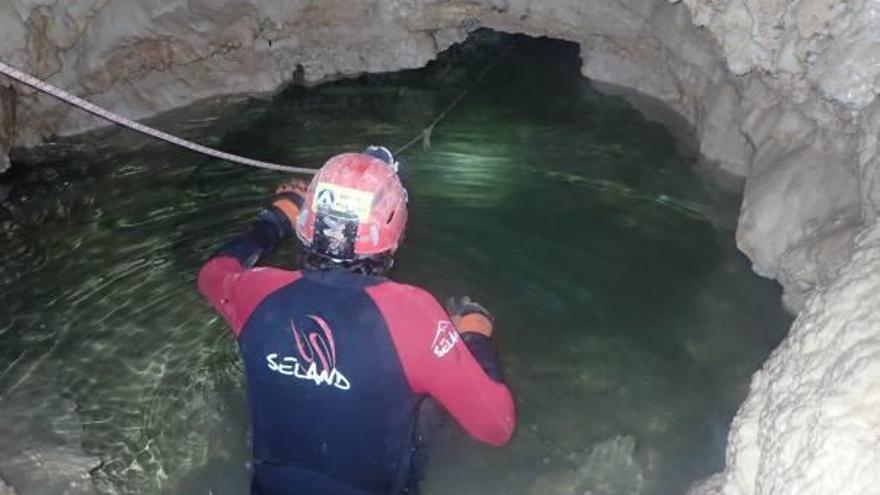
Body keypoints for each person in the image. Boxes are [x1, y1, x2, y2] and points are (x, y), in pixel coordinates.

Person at [198, 146, 516, 495]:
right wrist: (474, 333)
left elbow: (214, 274)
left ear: (308, 221)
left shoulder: (256, 292)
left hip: (270, 488)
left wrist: (280, 213)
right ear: (395, 232)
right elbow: (496, 426)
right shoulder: (412, 313)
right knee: (432, 388)